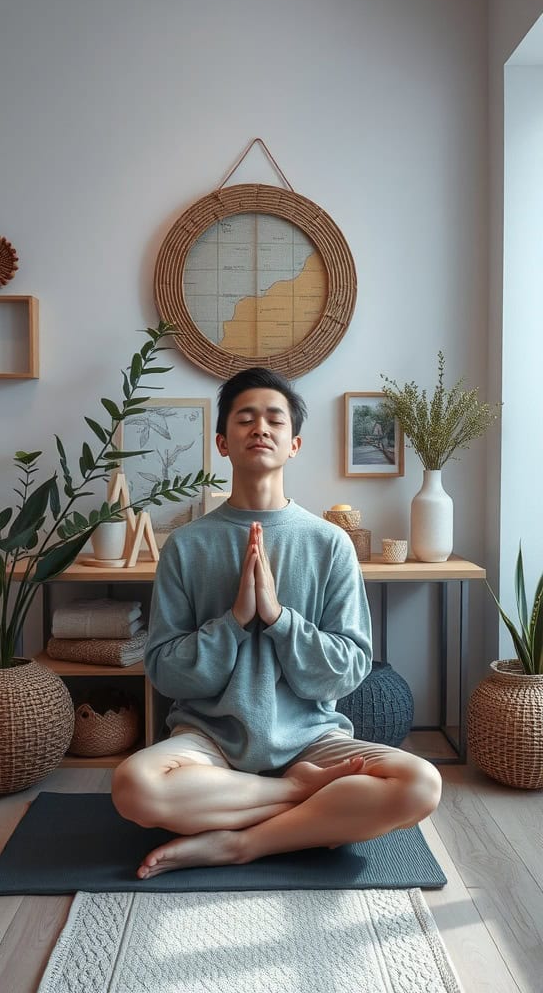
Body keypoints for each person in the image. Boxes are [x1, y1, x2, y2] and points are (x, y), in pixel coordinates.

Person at [112, 368, 442, 879]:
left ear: (295, 444)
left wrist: (281, 619)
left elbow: (349, 668)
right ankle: (301, 800)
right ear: (223, 443)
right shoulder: (186, 545)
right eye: (245, 419)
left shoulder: (330, 544)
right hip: (210, 741)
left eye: (274, 419)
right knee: (134, 786)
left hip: (312, 739)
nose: (260, 428)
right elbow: (165, 672)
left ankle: (240, 845)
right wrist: (236, 620)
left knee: (421, 783)